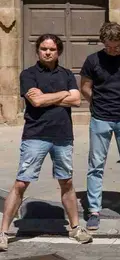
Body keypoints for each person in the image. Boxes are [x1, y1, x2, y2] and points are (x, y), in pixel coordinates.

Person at [0, 34, 93, 252]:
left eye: (51, 49)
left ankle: (75, 228)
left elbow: (76, 100)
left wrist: (49, 96)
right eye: (43, 49)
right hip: (35, 135)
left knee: (66, 182)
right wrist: (63, 95)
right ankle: (3, 233)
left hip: (62, 135)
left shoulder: (67, 74)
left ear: (58, 51)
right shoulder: (28, 74)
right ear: (38, 51)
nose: (48, 52)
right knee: (22, 183)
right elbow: (35, 101)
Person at [81, 22, 120, 230]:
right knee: (96, 165)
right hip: (101, 118)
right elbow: (85, 87)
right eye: (108, 47)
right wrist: (97, 103)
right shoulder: (93, 60)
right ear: (103, 43)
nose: (112, 50)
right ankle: (94, 210)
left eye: (116, 47)